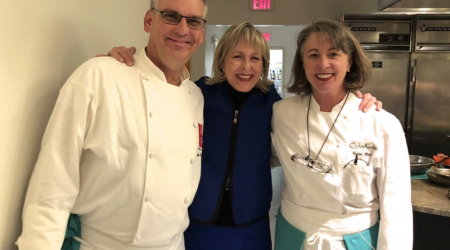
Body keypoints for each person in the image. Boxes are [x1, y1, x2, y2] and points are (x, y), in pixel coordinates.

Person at [107, 22, 381, 249]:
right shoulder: (197, 94)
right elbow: (155, 93)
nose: (246, 66)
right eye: (237, 56)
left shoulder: (275, 106)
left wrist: (355, 100)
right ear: (222, 60)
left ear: (264, 64)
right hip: (198, 222)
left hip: (252, 226)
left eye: (255, 58)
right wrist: (126, 67)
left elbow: (319, 118)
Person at [16, 0, 207, 249]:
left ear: (201, 33)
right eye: (171, 16)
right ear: (149, 21)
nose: (183, 30)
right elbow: (53, 183)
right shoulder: (98, 76)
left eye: (193, 21)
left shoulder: (196, 96)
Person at [271, 19, 413, 250]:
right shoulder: (281, 113)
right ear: (302, 63)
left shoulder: (382, 123)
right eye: (313, 55)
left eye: (333, 54)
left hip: (356, 239)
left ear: (350, 62)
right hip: (292, 235)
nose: (323, 64)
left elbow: (396, 204)